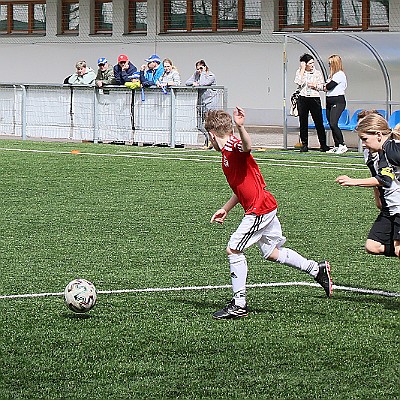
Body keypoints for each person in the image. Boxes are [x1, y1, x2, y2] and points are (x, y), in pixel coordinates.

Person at [204, 107, 333, 320]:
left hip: (259, 209)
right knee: (271, 252)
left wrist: (242, 127)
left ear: (211, 134)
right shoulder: (226, 152)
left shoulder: (233, 145)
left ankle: (239, 304)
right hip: (264, 206)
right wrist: (225, 208)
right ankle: (316, 269)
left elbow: (247, 147)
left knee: (233, 249)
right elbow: (240, 187)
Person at [336, 113, 400, 258]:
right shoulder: (380, 151)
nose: (363, 144)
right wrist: (378, 199)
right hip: (390, 207)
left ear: (378, 135)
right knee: (373, 246)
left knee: (398, 250)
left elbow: (385, 179)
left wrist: (353, 181)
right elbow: (380, 178)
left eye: (364, 139)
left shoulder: (390, 150)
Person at [294, 53, 329, 153]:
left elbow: (322, 85)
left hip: (314, 98)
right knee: (303, 121)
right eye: (310, 63)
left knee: (318, 121)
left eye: (313, 63)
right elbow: (298, 82)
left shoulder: (317, 73)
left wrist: (315, 86)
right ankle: (304, 144)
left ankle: (323, 144)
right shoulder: (300, 72)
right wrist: (302, 69)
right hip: (303, 98)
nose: (312, 65)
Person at [186, 60, 218, 149]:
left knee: (209, 124)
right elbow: (187, 82)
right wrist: (193, 83)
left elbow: (203, 83)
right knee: (199, 125)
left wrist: (203, 73)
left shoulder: (211, 76)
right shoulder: (196, 74)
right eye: (197, 69)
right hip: (200, 103)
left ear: (205, 67)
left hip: (210, 103)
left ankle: (210, 142)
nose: (199, 70)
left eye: (201, 68)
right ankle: (209, 140)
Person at [325, 54, 348, 154]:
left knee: (334, 123)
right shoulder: (331, 75)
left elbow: (329, 86)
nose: (329, 66)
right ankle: (337, 144)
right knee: (331, 123)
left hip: (338, 101)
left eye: (330, 64)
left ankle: (342, 144)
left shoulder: (339, 74)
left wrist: (322, 86)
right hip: (329, 101)